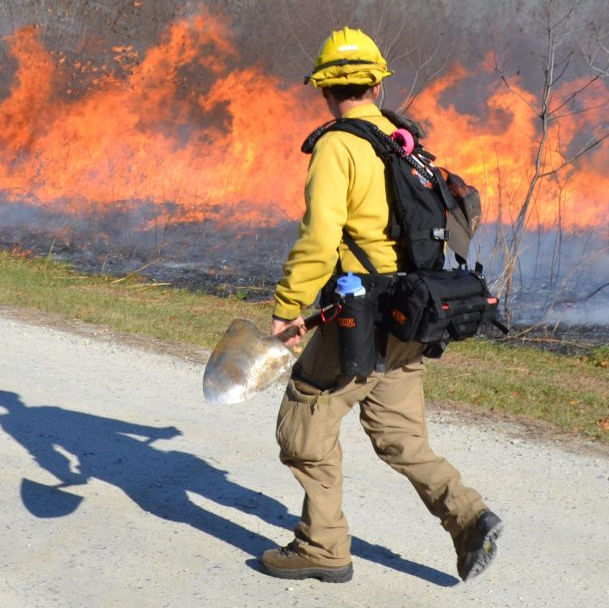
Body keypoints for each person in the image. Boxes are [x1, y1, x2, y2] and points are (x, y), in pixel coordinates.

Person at [260, 27, 503, 584]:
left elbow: (320, 238)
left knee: (305, 417)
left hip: (360, 317)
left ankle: (321, 547)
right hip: (413, 314)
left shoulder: (337, 146)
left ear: (325, 88)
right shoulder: (403, 138)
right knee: (402, 438)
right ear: (374, 82)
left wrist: (287, 308)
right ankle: (469, 518)